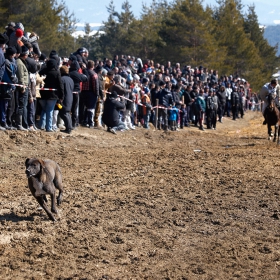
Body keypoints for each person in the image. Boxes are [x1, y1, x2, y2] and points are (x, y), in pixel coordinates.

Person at [39, 58, 64, 132]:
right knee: (50, 111)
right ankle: (48, 127)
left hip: (42, 94)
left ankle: (41, 125)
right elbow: (60, 85)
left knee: (44, 110)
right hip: (52, 95)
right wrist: (61, 96)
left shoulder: (43, 71)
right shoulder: (56, 73)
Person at [0, 47, 18, 130]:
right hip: (5, 86)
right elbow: (10, 75)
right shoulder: (7, 62)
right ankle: (3, 122)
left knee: (8, 106)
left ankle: (6, 122)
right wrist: (14, 82)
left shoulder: (12, 61)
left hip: (10, 86)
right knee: (4, 105)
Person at [81, 60, 100, 128]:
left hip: (83, 92)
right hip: (91, 92)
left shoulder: (83, 72)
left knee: (86, 107)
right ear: (93, 66)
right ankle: (90, 123)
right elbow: (95, 85)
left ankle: (85, 121)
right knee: (91, 108)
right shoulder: (93, 74)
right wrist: (97, 94)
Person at [59, 65, 74, 134]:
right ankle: (69, 127)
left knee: (63, 113)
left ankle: (68, 128)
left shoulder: (62, 79)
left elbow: (61, 89)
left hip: (64, 98)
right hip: (70, 97)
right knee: (67, 113)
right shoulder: (70, 79)